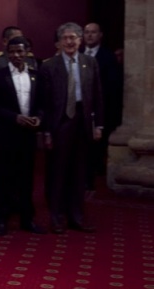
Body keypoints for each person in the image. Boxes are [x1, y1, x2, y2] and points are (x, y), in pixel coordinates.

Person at [40, 22, 103, 234]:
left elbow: (97, 97)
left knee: (79, 173)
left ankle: (76, 216)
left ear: (80, 40)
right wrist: (47, 132)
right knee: (58, 172)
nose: (70, 42)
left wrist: (99, 125)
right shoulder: (50, 66)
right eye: (65, 38)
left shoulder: (90, 62)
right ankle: (56, 216)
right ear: (59, 41)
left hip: (82, 122)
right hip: (60, 123)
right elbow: (45, 103)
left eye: (74, 37)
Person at [0, 36, 46, 236]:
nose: (16, 55)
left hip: (28, 136)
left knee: (26, 179)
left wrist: (38, 118)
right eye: (12, 52)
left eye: (20, 51)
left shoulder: (38, 75)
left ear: (27, 51)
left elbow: (43, 104)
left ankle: (27, 219)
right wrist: (14, 117)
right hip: (5, 135)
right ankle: (1, 219)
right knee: (3, 178)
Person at [82, 22, 122, 194]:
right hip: (78, 109)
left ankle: (90, 179)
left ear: (100, 35)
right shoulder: (76, 54)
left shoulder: (108, 57)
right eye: (87, 32)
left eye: (93, 32)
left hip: (99, 109)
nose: (89, 35)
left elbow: (111, 87)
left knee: (95, 148)